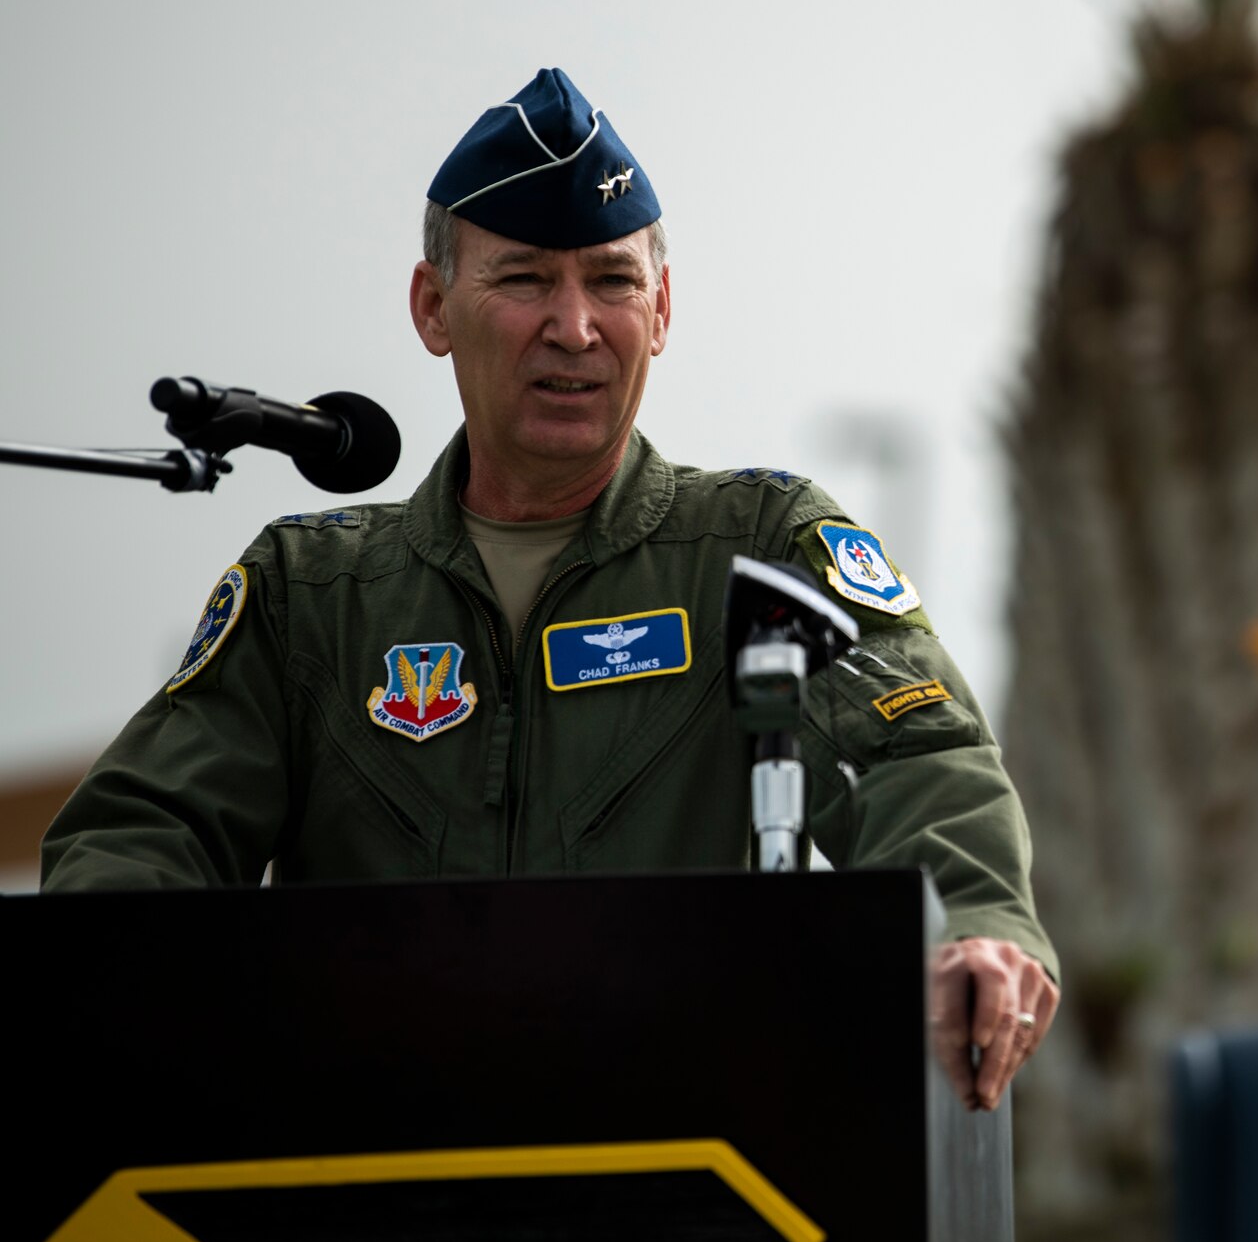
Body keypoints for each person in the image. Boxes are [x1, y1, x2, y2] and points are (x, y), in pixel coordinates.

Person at [40, 68, 1056, 1112]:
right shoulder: (315, 592)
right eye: (524, 279)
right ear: (433, 307)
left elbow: (919, 759)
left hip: (698, 1162)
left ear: (660, 310)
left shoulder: (763, 549)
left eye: (611, 282)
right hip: (367, 1168)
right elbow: (143, 832)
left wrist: (977, 925)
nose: (573, 327)